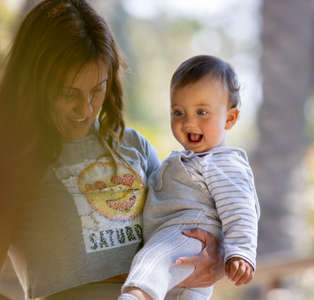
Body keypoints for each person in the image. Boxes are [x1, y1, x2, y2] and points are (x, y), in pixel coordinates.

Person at [0, 1, 223, 299]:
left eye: (97, 89)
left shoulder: (135, 147)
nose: (86, 108)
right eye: (69, 94)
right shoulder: (14, 157)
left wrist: (214, 254)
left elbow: (180, 223)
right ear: (35, 82)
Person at [119, 55, 260, 300]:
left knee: (150, 264)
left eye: (202, 112)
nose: (189, 122)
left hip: (184, 236)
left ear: (230, 118)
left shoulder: (222, 161)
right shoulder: (184, 159)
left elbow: (241, 208)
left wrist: (240, 252)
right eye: (178, 112)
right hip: (190, 250)